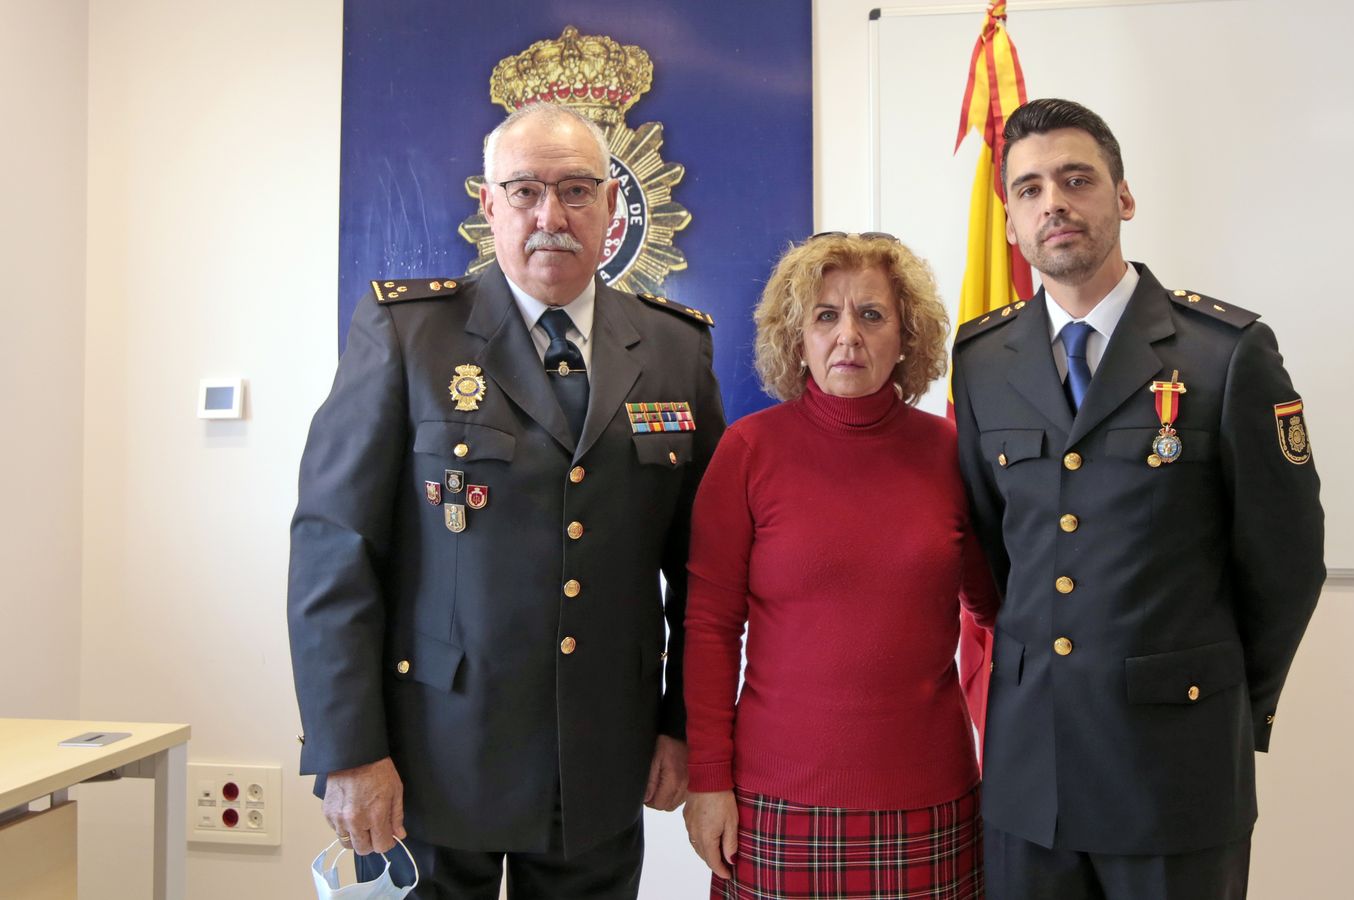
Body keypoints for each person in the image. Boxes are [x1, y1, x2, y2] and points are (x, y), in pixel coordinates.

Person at [287, 102, 725, 898]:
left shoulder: (674, 348)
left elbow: (704, 573)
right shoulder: (409, 335)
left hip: (599, 760)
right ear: (488, 206)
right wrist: (348, 751)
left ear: (612, 207)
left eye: (576, 190)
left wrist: (683, 725)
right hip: (428, 761)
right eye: (525, 191)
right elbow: (334, 550)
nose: (550, 215)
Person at [952, 98, 1325, 899]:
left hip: (1174, 771)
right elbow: (993, 547)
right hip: (1031, 777)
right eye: (1029, 189)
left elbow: (1287, 562)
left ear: (1123, 196)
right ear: (1011, 221)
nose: (1053, 202)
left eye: (1076, 179)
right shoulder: (981, 360)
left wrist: (1224, 704)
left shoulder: (1224, 355)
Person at [681, 233, 998, 899]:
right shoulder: (748, 451)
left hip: (931, 800)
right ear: (797, 338)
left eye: (872, 315)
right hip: (773, 804)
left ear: (906, 337)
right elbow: (709, 628)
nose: (848, 336)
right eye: (825, 315)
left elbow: (998, 614)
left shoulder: (952, 453)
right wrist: (707, 780)